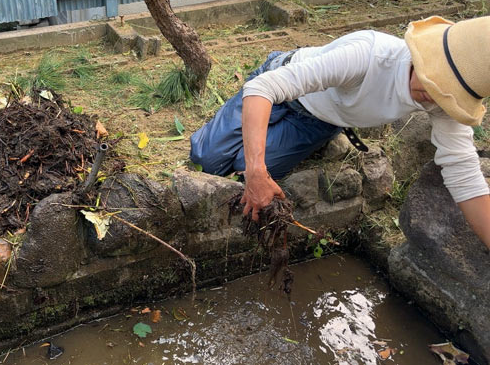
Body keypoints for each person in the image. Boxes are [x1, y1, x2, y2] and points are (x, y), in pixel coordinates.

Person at [189, 15, 490, 250]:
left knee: (241, 166)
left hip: (318, 120)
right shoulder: (368, 56)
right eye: (436, 83)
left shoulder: (443, 104)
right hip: (281, 84)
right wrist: (258, 172)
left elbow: (465, 177)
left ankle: (321, 138)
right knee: (207, 159)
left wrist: (251, 170)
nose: (436, 99)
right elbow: (262, 89)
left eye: (447, 96)